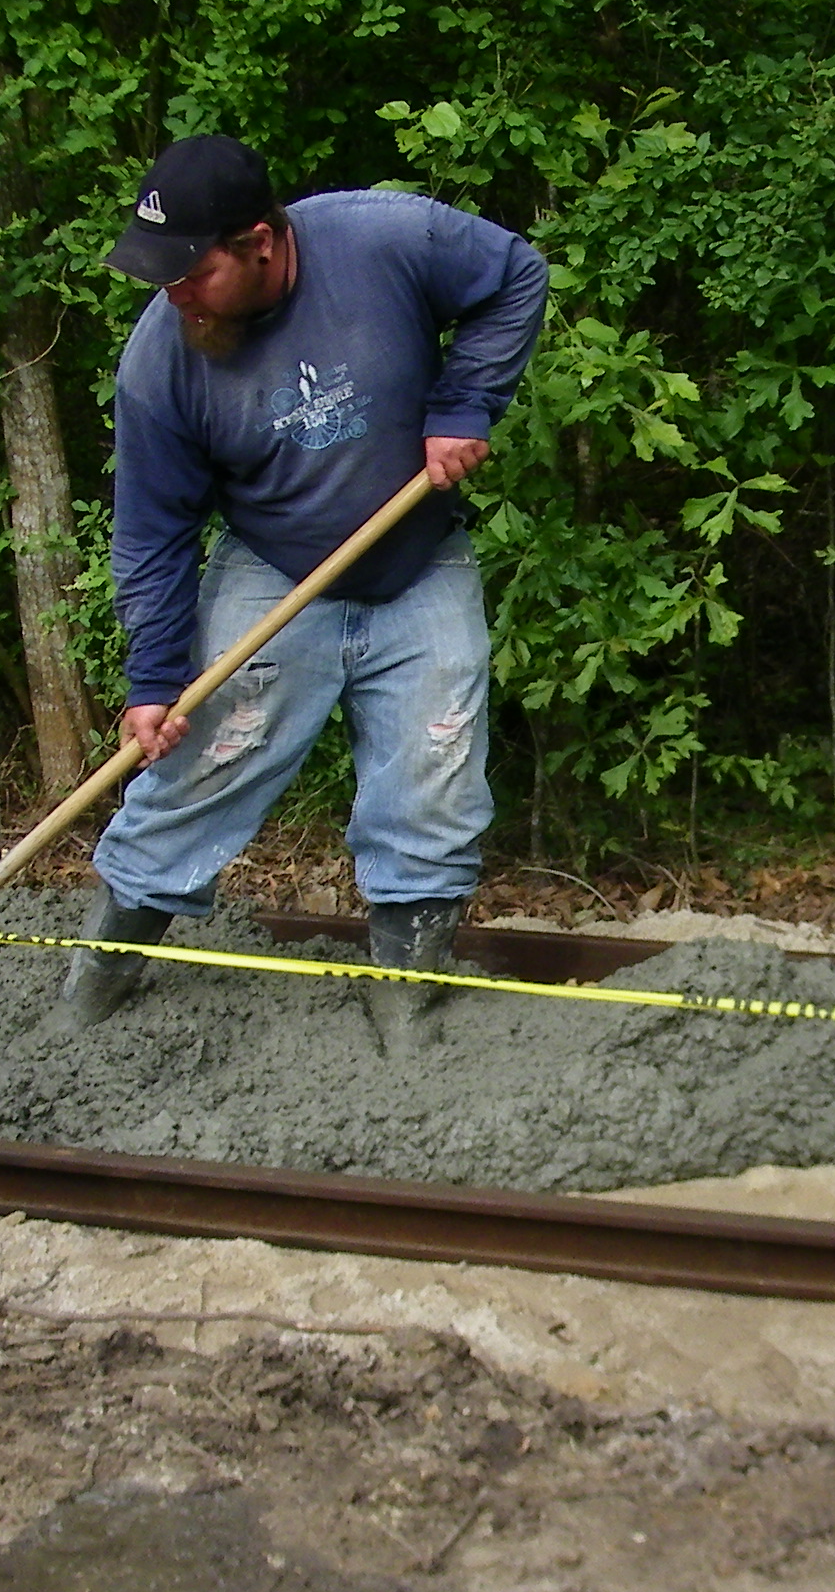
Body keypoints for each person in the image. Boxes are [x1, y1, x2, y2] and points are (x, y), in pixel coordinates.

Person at [70, 134, 549, 1030]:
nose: (173, 295)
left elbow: (516, 275)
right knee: (200, 770)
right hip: (274, 566)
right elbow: (154, 531)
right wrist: (154, 679)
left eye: (191, 273)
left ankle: (406, 1007)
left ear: (259, 242)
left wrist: (464, 404)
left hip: (418, 558)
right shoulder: (160, 362)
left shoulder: (386, 239)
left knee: (435, 779)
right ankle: (94, 989)